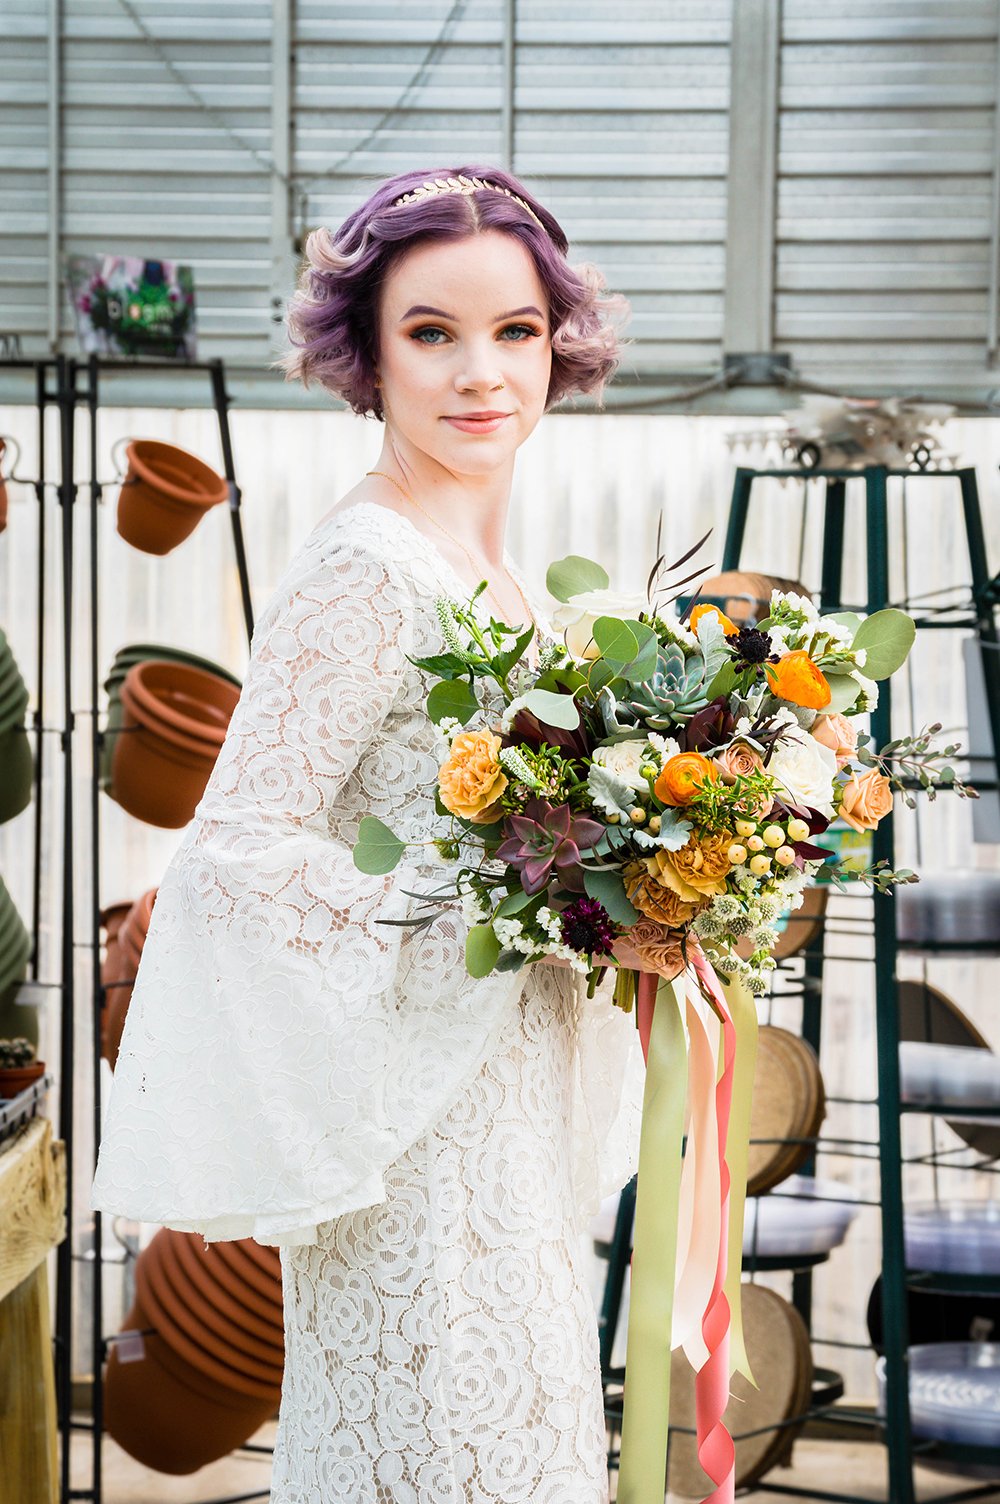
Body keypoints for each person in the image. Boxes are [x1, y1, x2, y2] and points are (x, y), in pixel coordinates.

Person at [91, 165, 647, 1502]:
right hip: (415, 1145)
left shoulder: (489, 564)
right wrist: (497, 895)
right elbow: (238, 853)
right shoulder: (367, 566)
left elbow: (529, 823)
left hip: (504, 1113)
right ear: (365, 353)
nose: (481, 374)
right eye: (432, 332)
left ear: (557, 344)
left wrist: (638, 885)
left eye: (514, 331)